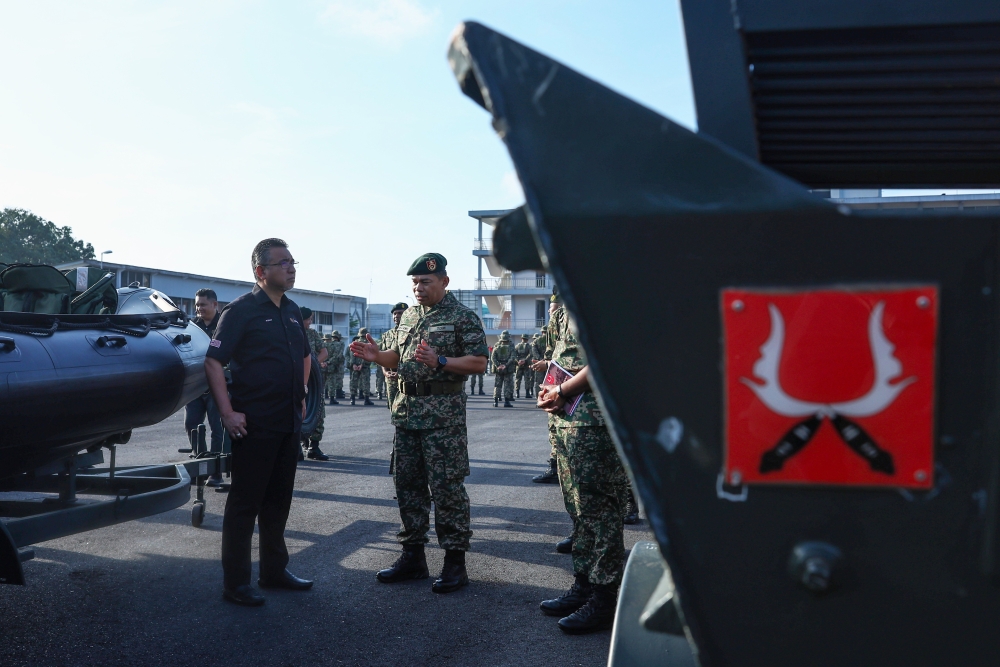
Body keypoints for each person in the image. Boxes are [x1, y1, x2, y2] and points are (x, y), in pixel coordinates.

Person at [350, 253, 487, 594]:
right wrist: (376, 356)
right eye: (414, 283)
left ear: (444, 281)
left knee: (447, 490)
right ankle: (413, 557)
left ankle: (455, 563)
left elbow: (479, 362)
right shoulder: (409, 316)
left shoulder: (462, 317)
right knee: (408, 487)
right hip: (407, 414)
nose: (418, 288)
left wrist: (441, 360)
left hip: (443, 418)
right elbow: (394, 356)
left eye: (425, 282)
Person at [205, 238, 314, 607]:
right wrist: (227, 412)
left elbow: (304, 356)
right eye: (282, 262)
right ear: (260, 271)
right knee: (244, 505)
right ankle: (236, 583)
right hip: (254, 423)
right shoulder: (240, 311)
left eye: (292, 261)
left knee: (278, 502)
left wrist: (300, 394)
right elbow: (213, 362)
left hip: (287, 422)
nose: (291, 267)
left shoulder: (293, 310)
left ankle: (274, 571)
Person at [536, 294, 627, 634]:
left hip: (594, 421)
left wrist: (562, 389)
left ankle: (605, 600)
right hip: (568, 419)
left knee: (600, 510)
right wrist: (552, 391)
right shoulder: (571, 301)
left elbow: (608, 358)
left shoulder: (604, 297)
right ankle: (585, 585)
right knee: (578, 509)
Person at [185, 288, 225, 486]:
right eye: (197, 305)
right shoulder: (192, 327)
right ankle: (199, 466)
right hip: (195, 386)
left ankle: (215, 470)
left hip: (217, 386)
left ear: (215, 305)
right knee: (192, 424)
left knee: (217, 429)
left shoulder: (224, 325)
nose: (199, 308)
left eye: (203, 304)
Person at [299, 307, 329, 461]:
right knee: (296, 412)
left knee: (317, 412)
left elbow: (324, 352)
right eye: (308, 319)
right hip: (294, 379)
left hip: (313, 381)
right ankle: (299, 445)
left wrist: (312, 366)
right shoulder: (290, 332)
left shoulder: (312, 334)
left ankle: (314, 447)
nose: (310, 322)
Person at [381, 302, 408, 409]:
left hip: (407, 378)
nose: (397, 316)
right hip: (391, 378)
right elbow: (383, 355)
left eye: (400, 313)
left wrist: (401, 374)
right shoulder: (387, 335)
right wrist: (385, 372)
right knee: (393, 408)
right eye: (395, 314)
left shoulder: (414, 332)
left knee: (408, 409)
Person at [350, 328, 375, 405]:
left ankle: (352, 399)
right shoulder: (368, 343)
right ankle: (366, 400)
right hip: (364, 366)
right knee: (365, 382)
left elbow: (352, 354)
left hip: (355, 366)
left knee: (354, 382)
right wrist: (362, 364)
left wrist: (353, 364)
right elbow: (367, 354)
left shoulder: (355, 342)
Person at [491, 331, 515, 408]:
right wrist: (506, 365)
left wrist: (498, 365)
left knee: (497, 385)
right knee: (507, 385)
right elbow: (512, 357)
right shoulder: (511, 346)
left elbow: (493, 357)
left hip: (498, 369)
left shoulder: (496, 345)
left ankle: (495, 401)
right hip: (508, 369)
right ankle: (506, 402)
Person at [326, 330, 346, 402]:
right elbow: (339, 354)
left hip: (326, 364)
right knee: (337, 379)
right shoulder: (340, 344)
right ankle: (337, 393)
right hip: (336, 364)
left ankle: (326, 394)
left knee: (325, 381)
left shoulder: (328, 344)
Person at [514, 333, 533, 398]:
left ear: (521, 338)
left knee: (518, 379)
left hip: (518, 365)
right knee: (527, 379)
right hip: (526, 364)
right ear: (527, 339)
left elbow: (514, 354)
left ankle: (517, 393)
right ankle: (527, 393)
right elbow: (530, 354)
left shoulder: (517, 346)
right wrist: (524, 360)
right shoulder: (529, 346)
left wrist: (518, 361)